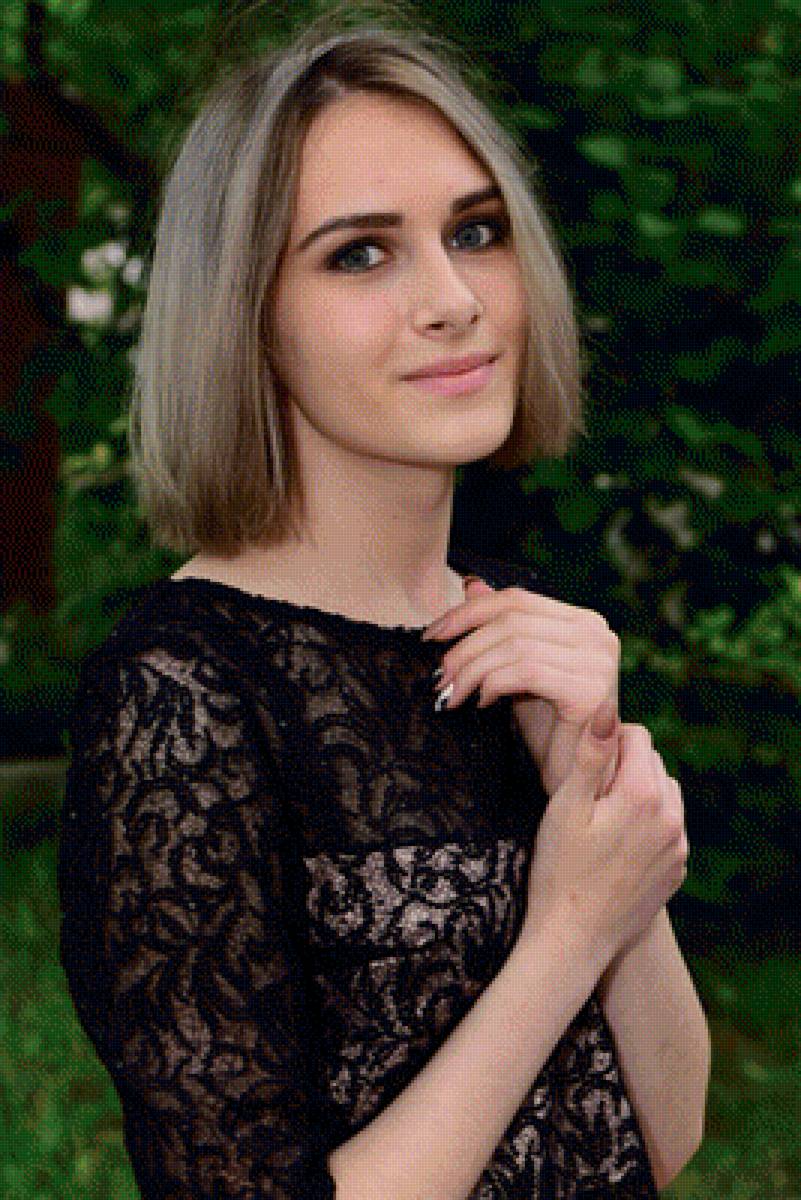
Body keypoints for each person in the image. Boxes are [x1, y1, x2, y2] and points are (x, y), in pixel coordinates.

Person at [57, 3, 685, 1197]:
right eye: (359, 253)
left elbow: (670, 1131)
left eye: (476, 232)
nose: (453, 299)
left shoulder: (510, 634)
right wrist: (568, 934)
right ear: (248, 318)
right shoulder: (180, 696)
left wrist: (598, 812)